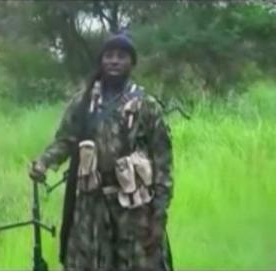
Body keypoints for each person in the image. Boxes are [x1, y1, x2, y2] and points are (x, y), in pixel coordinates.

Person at [29, 32, 174, 271]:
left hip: (135, 206)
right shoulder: (83, 102)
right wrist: (44, 163)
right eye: (109, 56)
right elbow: (65, 140)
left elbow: (163, 163)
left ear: (132, 63)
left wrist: (158, 215)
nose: (114, 61)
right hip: (91, 205)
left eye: (121, 56)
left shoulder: (147, 106)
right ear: (101, 61)